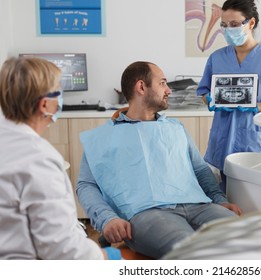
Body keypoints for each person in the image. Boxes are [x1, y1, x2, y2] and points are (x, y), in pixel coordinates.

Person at [76, 61, 242, 259]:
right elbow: (86, 185)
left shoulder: (175, 128)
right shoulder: (103, 137)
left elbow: (199, 170)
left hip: (200, 206)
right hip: (147, 213)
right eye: (163, 83)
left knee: (248, 240)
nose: (169, 90)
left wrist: (219, 200)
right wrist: (107, 219)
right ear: (141, 87)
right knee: (192, 252)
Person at [0, 57, 120, 260]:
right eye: (58, 91)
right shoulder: (38, 159)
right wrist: (105, 258)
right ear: (45, 104)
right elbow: (63, 250)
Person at [197, 0, 261, 193]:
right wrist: (209, 99)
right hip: (223, 140)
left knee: (253, 200)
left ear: (251, 23)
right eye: (224, 26)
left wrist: (256, 106)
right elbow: (204, 91)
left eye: (234, 25)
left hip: (254, 141)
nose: (228, 30)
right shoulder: (216, 58)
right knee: (225, 201)